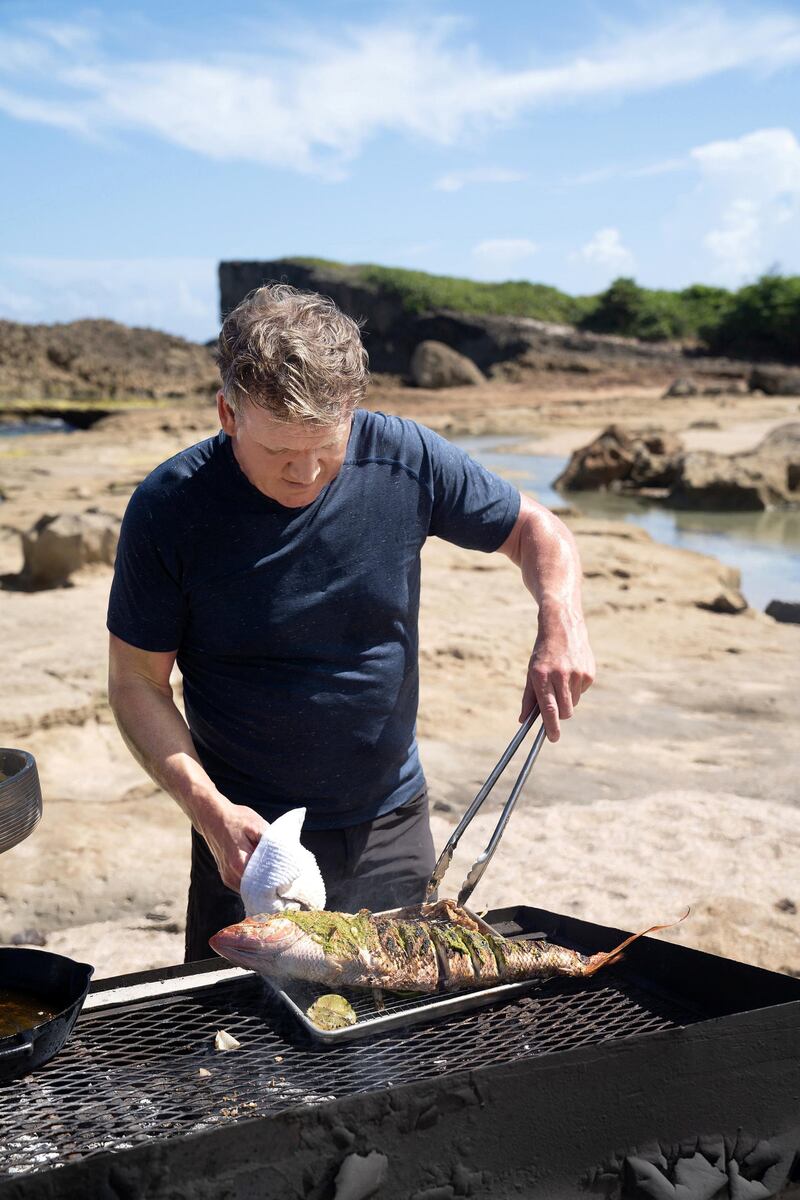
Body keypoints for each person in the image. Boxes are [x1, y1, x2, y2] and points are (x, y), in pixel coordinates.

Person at [107, 284, 595, 962]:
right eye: (279, 451)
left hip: (391, 820)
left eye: (326, 447)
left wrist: (560, 619)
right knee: (239, 1050)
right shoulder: (170, 508)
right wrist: (206, 809)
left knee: (407, 1038)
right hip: (247, 839)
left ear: (352, 411)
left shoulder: (404, 456)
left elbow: (534, 529)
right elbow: (136, 683)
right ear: (228, 412)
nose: (305, 472)